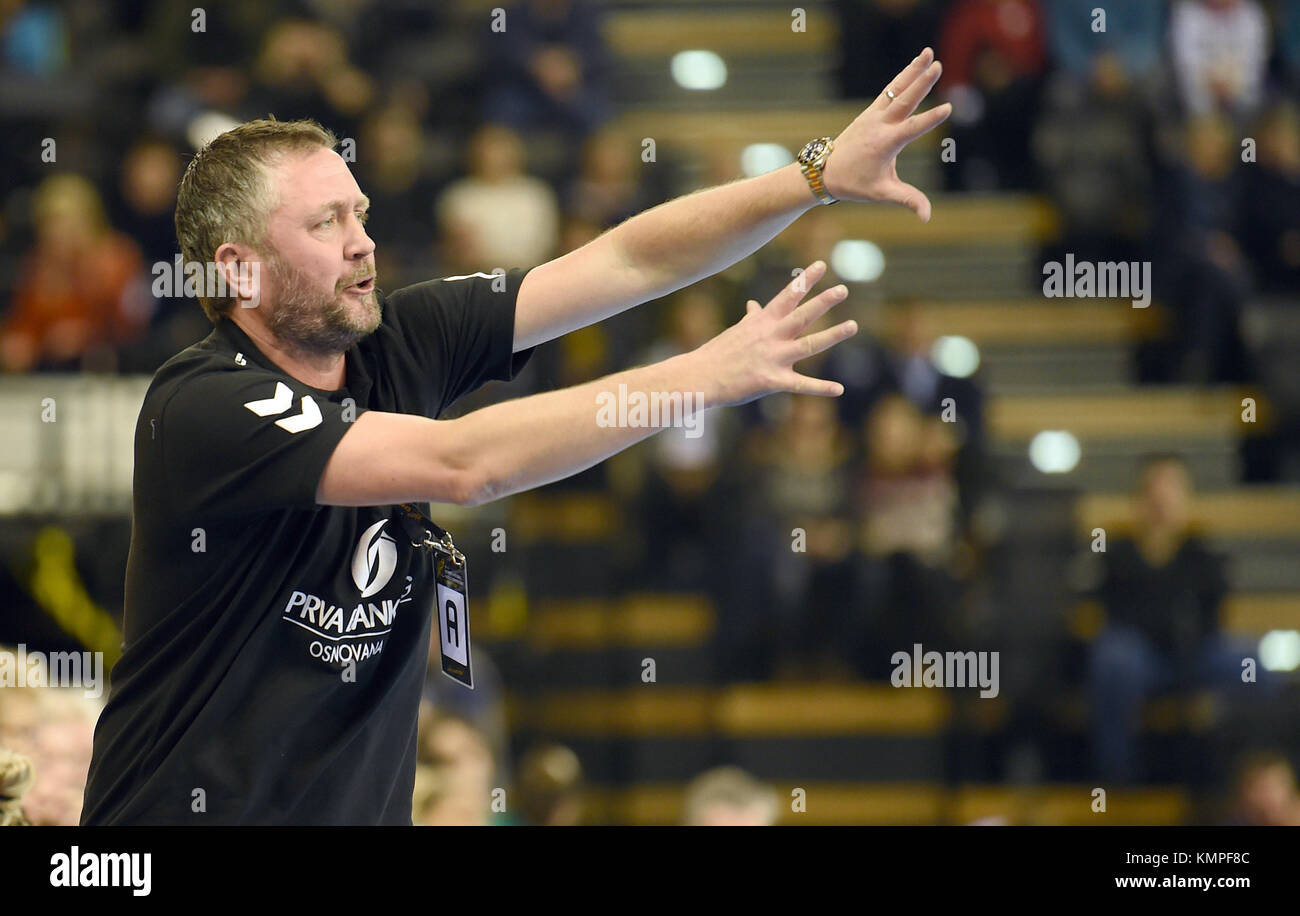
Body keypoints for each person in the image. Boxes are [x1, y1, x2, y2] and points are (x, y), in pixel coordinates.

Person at [81, 50, 952, 825]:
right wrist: (704, 376)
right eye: (324, 225)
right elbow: (468, 465)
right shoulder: (202, 405)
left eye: (361, 213)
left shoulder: (401, 340)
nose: (364, 245)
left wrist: (812, 176)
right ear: (236, 268)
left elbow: (628, 264)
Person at [1087, 453, 1257, 784]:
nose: (1163, 499)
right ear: (1140, 497)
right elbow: (1113, 613)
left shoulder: (1202, 552)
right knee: (1113, 659)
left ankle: (1240, 772)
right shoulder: (1118, 553)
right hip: (1140, 659)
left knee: (1251, 664)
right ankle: (1117, 775)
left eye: (1172, 489)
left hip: (1196, 654)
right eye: (1155, 489)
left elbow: (1212, 615)